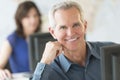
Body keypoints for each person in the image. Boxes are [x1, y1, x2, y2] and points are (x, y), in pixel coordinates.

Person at [32, 1, 115, 80]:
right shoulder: (49, 71)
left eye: (76, 25)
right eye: (63, 27)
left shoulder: (112, 53)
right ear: (53, 32)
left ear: (85, 26)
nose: (71, 33)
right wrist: (45, 61)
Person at [0, 1, 42, 79]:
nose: (33, 20)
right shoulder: (12, 39)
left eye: (35, 15)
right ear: (20, 19)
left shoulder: (42, 38)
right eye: (27, 17)